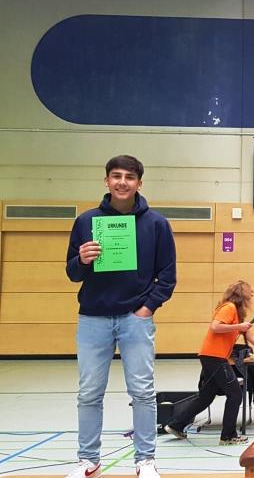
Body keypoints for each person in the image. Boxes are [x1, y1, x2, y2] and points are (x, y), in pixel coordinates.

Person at [64, 155, 176, 478]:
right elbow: (72, 273)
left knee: (142, 392)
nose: (122, 182)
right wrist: (82, 260)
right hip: (93, 319)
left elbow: (167, 277)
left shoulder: (157, 224)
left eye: (129, 177)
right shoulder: (86, 221)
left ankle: (145, 460)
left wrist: (146, 309)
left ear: (139, 183)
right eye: (116, 176)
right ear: (106, 181)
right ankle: (88, 461)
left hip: (135, 320)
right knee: (89, 393)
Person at [164, 281, 254, 445]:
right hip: (214, 356)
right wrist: (238, 326)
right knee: (235, 393)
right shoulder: (228, 307)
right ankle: (228, 436)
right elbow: (215, 327)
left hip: (212, 356)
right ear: (241, 293)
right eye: (250, 290)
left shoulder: (237, 313)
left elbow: (251, 338)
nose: (252, 293)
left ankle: (176, 425)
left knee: (206, 397)